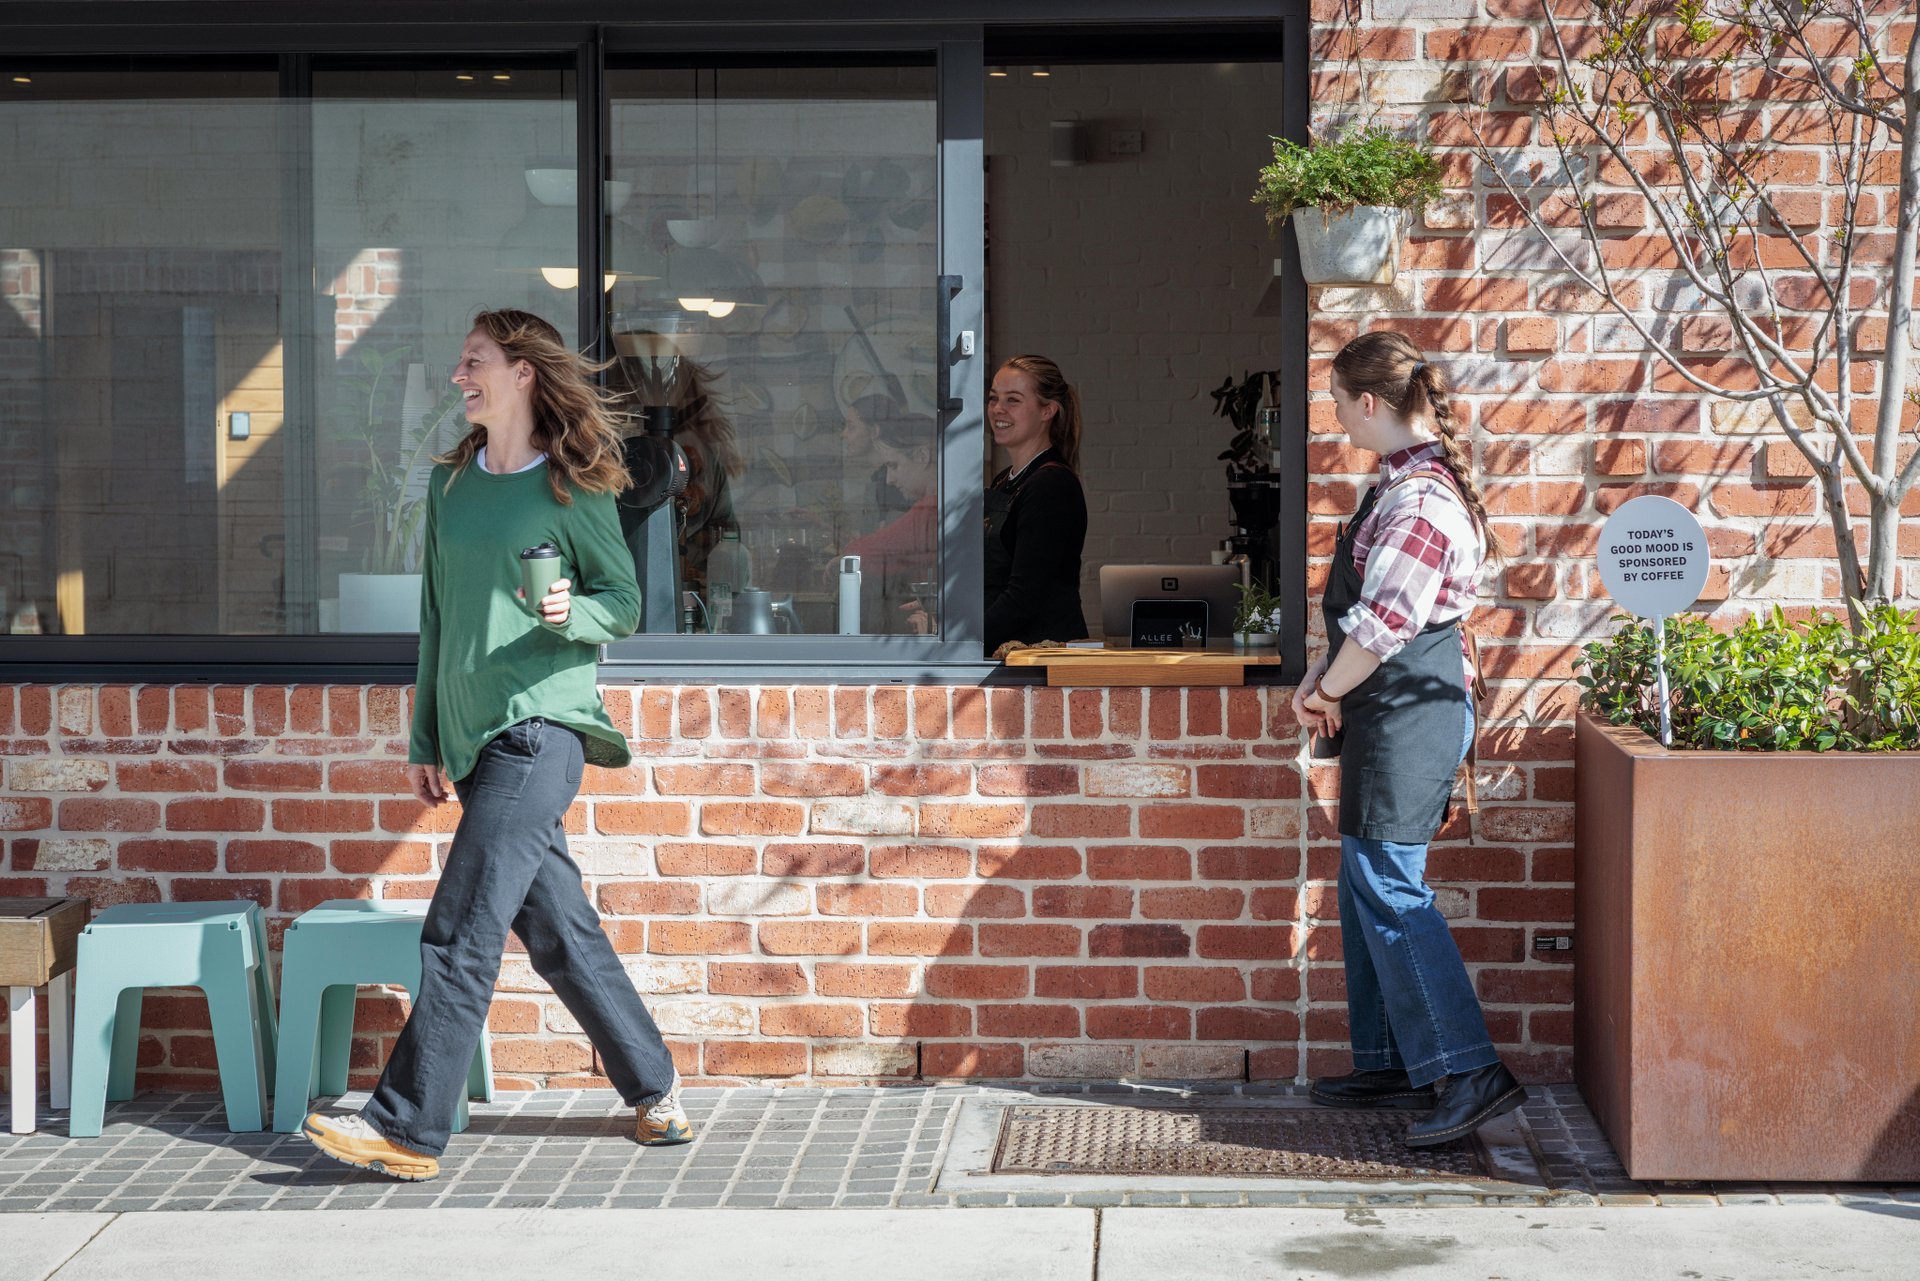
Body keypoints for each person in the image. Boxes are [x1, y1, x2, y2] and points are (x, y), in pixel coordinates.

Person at [302, 308, 689, 1182]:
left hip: (543, 730)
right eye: (461, 361)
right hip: (477, 741)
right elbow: (436, 620)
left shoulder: (574, 485)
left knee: (461, 927)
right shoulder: (451, 485)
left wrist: (570, 611)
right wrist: (427, 736)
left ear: (522, 373)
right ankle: (655, 1087)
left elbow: (621, 604)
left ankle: (404, 1126)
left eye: (473, 361)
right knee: (558, 930)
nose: (458, 376)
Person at [1291, 329, 1522, 1147]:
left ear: (1368, 402)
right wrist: (1325, 677)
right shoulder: (1398, 486)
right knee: (1366, 879)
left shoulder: (1421, 501)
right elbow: (1366, 615)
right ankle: (1394, 1057)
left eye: (1337, 406)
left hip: (1414, 709)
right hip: (1391, 707)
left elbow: (1386, 621)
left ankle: (1469, 1069)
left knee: (1389, 881)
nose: (1338, 422)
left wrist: (1325, 688)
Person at [984, 354, 1088, 654]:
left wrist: (964, 643)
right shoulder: (1007, 480)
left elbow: (1023, 597)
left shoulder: (1050, 485)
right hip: (1009, 652)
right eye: (994, 398)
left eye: (1013, 400)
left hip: (1040, 658)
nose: (998, 409)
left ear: (1048, 410)